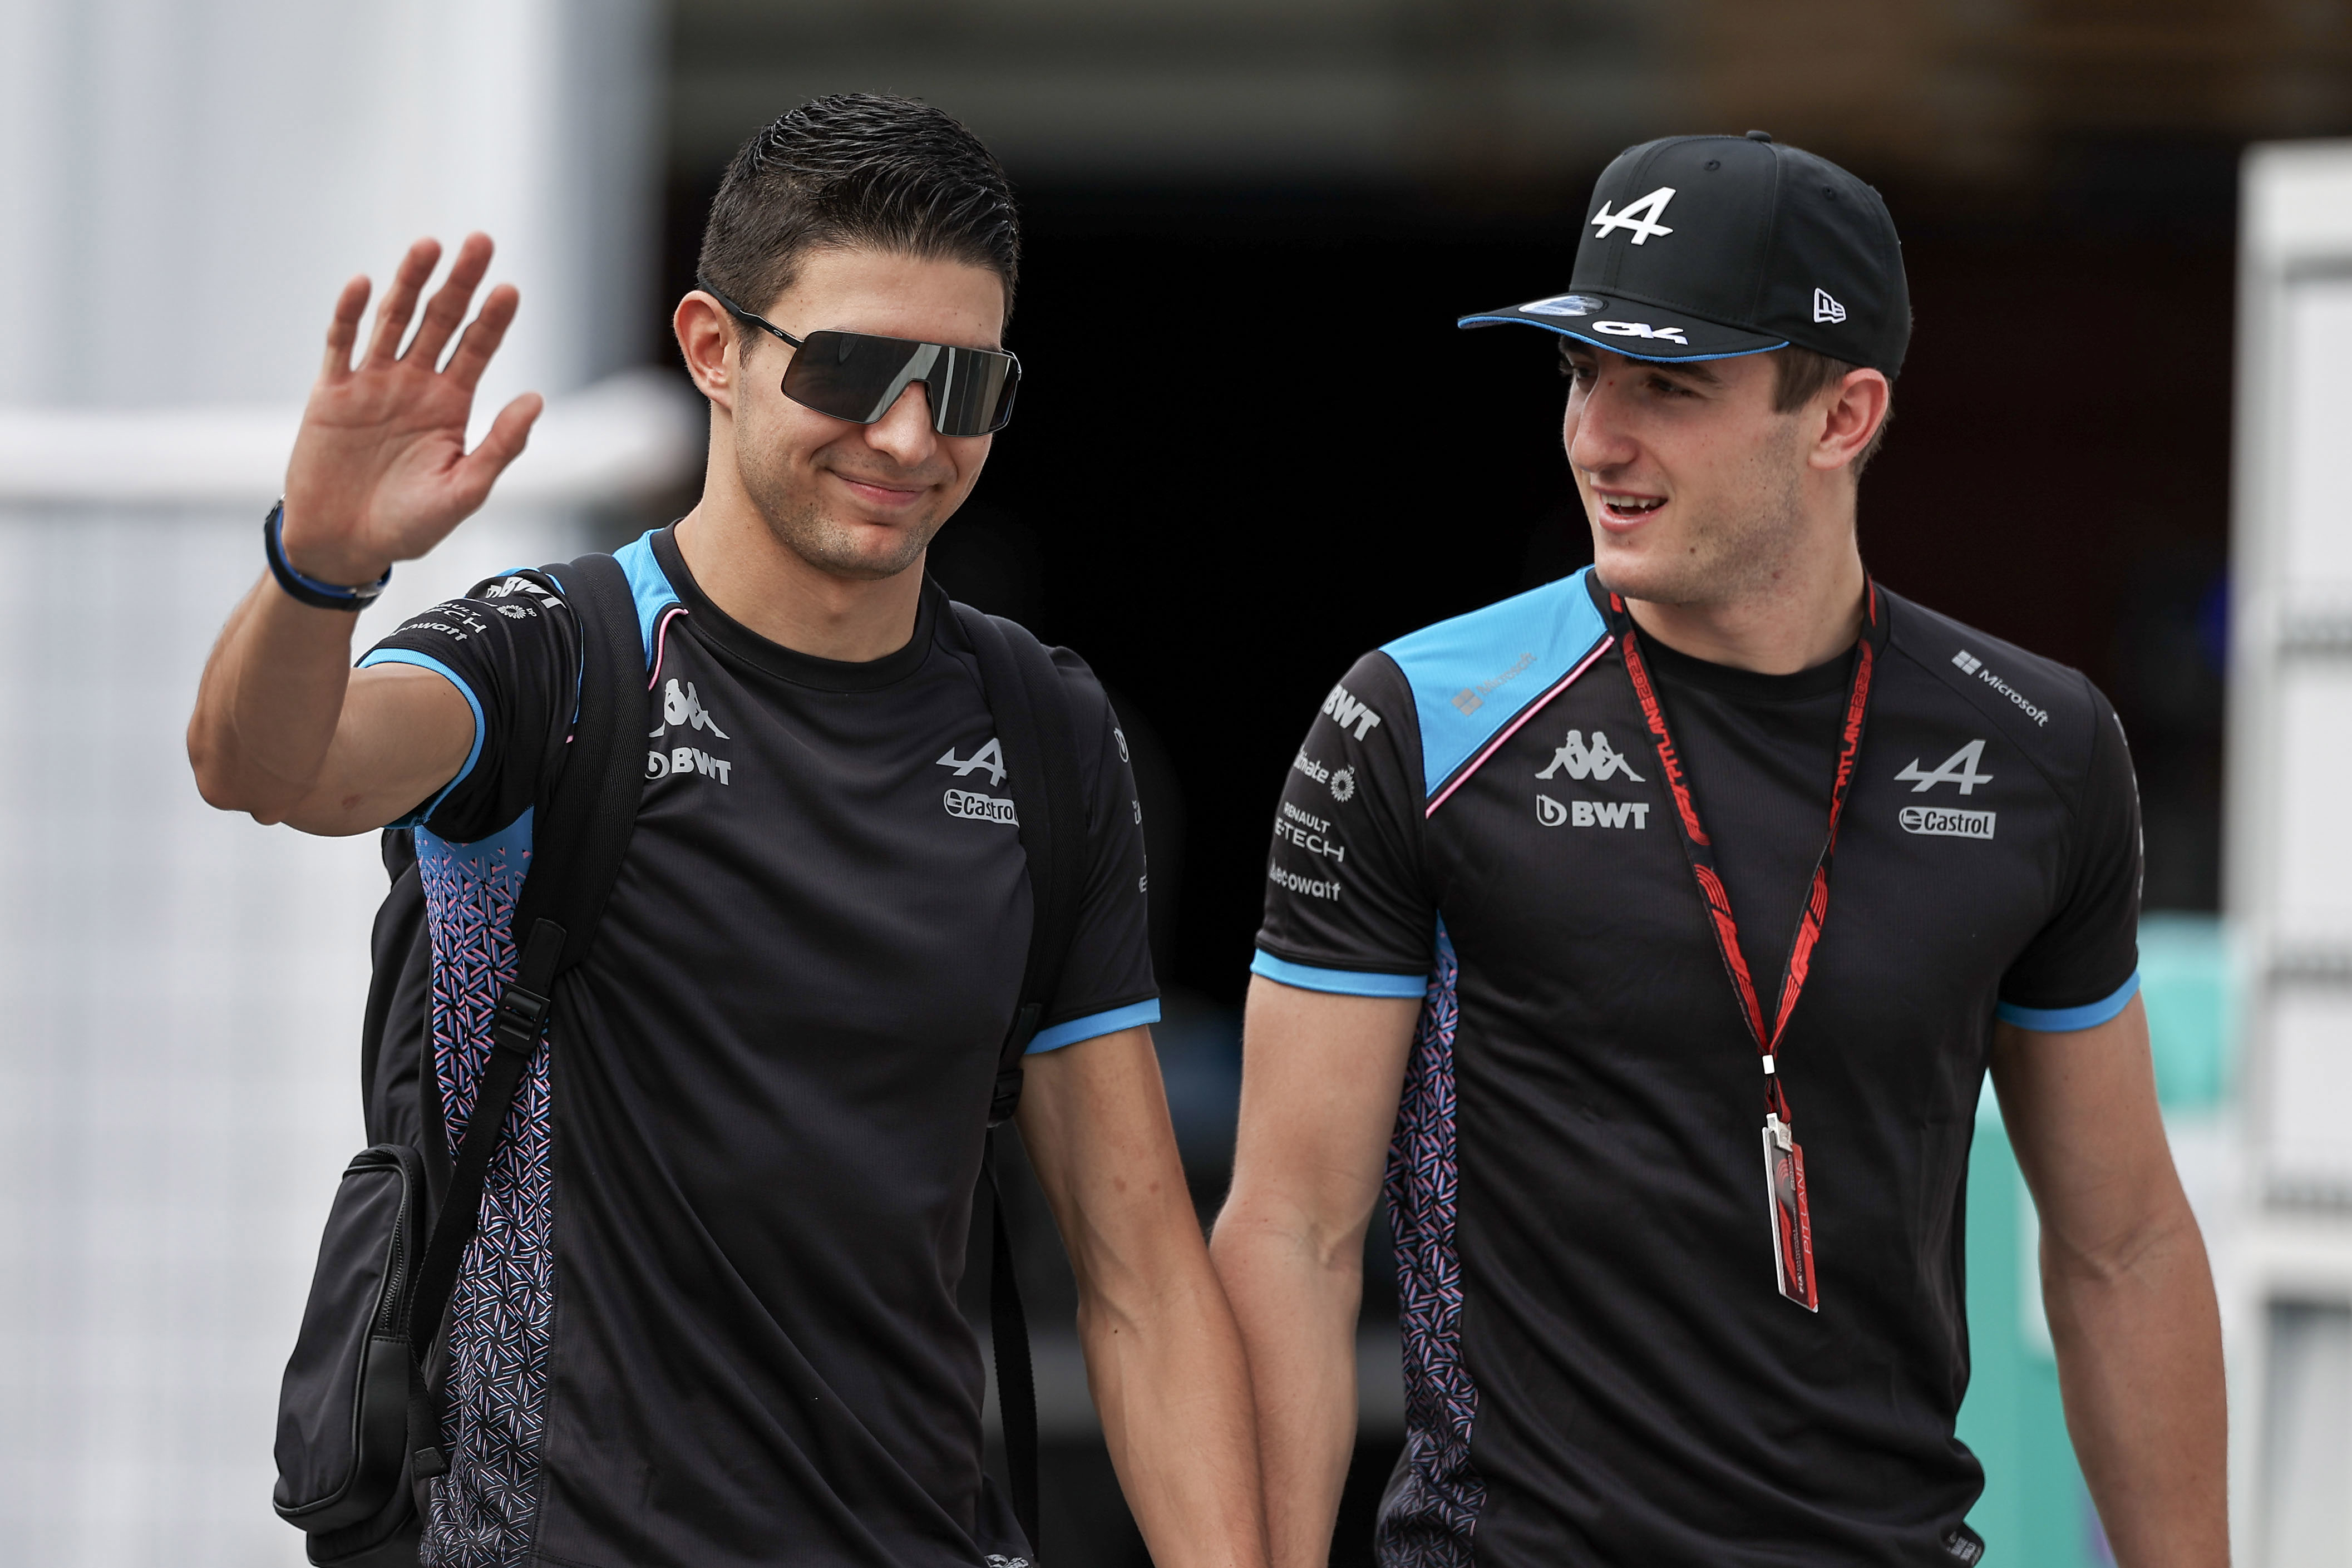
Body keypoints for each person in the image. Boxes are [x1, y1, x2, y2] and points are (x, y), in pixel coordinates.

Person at [189, 95, 1267, 1568]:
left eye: (963, 386)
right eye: (849, 368)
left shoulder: (1042, 726)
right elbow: (271, 769)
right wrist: (318, 569)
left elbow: (1142, 1272)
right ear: (713, 348)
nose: (906, 434)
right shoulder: (550, 665)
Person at [1210, 131, 2225, 1566]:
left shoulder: (2042, 751)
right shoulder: (1417, 726)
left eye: (1668, 387)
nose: (1594, 438)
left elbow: (2124, 1247)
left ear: (1843, 415)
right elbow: (1293, 1233)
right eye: (1580, 373)